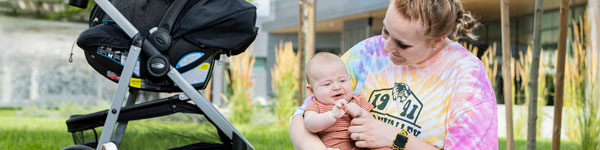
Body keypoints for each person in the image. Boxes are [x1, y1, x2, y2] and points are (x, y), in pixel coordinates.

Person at [289, 0, 498, 149]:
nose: (386, 47)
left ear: (438, 40)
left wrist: (395, 138)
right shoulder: (368, 52)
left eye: (402, 44)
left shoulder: (467, 79)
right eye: (386, 30)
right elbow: (302, 115)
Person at [302, 52, 389, 150]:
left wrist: (361, 112)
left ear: (349, 80)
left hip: (363, 146)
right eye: (327, 84)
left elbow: (373, 122)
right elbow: (310, 124)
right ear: (312, 91)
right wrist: (332, 115)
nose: (337, 87)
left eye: (342, 81)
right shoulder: (316, 105)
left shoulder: (356, 100)